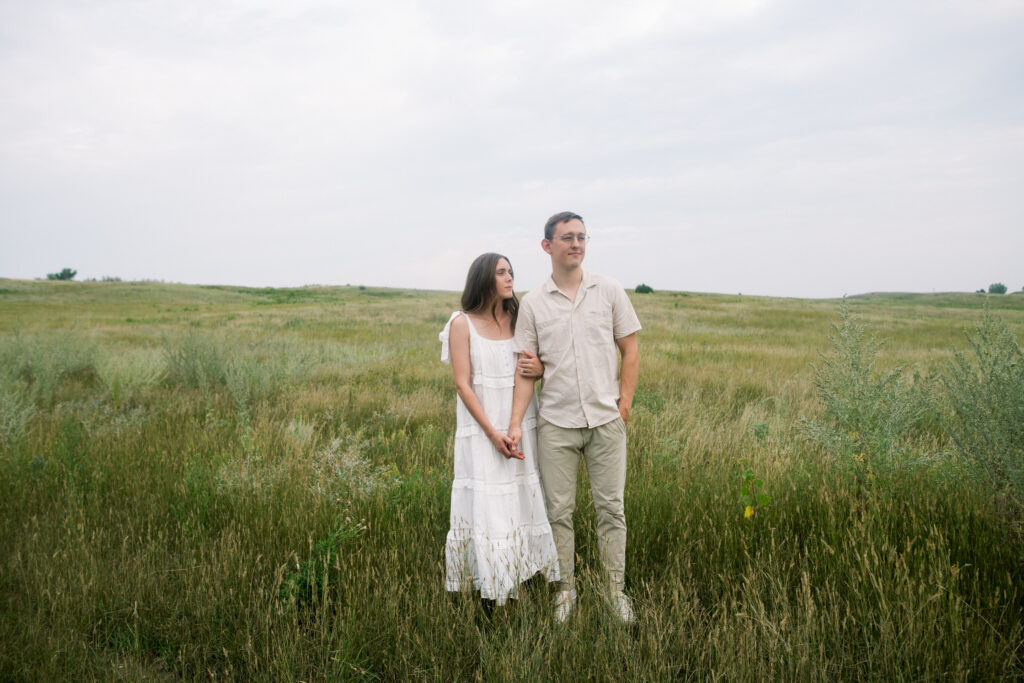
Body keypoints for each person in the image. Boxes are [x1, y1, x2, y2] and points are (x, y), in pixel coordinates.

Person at [508, 212, 641, 624]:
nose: (576, 244)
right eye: (567, 237)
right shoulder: (532, 303)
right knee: (558, 511)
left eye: (582, 237)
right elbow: (527, 369)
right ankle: (566, 590)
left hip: (605, 421)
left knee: (611, 509)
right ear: (547, 246)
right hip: (557, 423)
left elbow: (630, 350)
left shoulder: (610, 291)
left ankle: (615, 592)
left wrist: (624, 404)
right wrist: (515, 424)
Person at [439, 252, 560, 606]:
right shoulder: (462, 323)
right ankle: (494, 581)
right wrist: (493, 433)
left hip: (521, 423)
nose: (510, 278)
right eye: (501, 273)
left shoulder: (518, 317)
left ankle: (519, 574)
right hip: (482, 429)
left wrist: (537, 375)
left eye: (511, 272)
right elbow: (463, 385)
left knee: (520, 499)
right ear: (483, 278)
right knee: (489, 503)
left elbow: (536, 365)